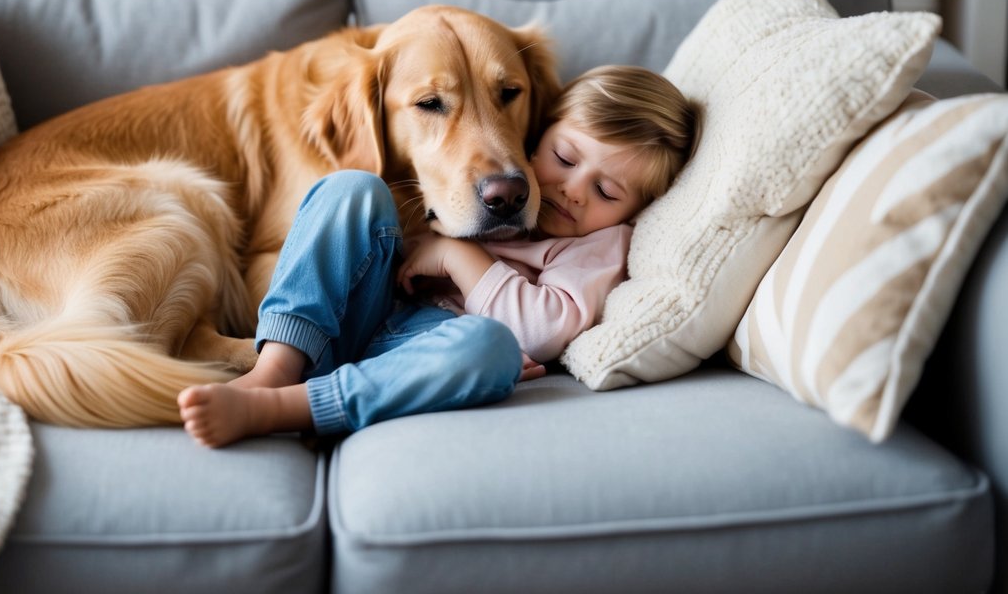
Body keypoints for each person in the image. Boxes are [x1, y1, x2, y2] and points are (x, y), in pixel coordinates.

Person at [179, 65, 699, 447]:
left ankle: (286, 407)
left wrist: (455, 257)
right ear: (538, 133)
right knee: (351, 189)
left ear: (638, 210)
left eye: (608, 192)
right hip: (364, 311)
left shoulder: (601, 245)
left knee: (490, 349)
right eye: (564, 158)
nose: (573, 191)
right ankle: (273, 369)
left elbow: (539, 333)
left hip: (424, 352)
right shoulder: (495, 181)